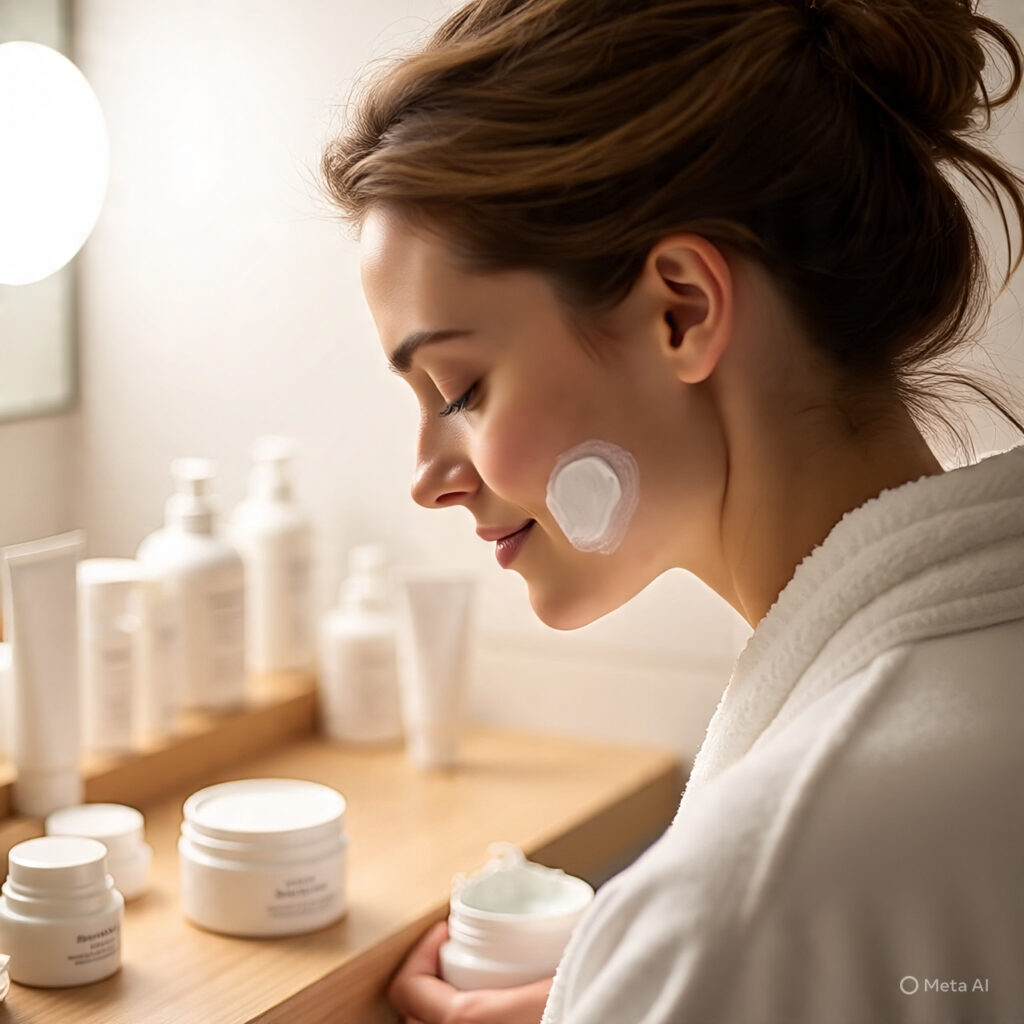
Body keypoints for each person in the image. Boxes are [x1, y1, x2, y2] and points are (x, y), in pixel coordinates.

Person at [320, 0, 1024, 1020]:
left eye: (460, 389)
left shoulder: (756, 897)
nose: (429, 476)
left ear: (680, 310)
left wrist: (674, 975)